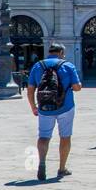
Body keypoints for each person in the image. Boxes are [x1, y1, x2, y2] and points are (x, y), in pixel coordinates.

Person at [26, 43, 83, 181]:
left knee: (44, 136)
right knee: (65, 136)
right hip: (66, 106)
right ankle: (62, 168)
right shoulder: (68, 66)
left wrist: (33, 106)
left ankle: (42, 163)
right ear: (61, 52)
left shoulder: (38, 66)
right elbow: (76, 87)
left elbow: (30, 89)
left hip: (44, 108)